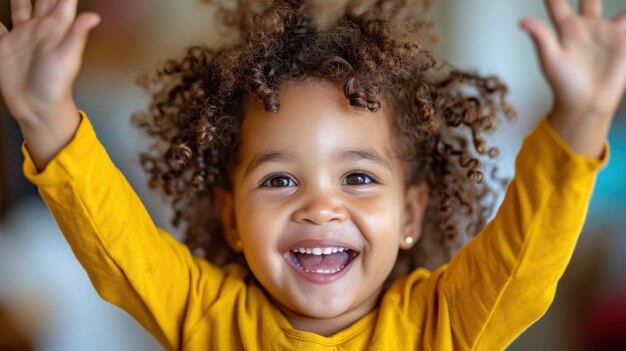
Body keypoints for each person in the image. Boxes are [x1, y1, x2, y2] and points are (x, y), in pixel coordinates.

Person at [1, 0, 625, 349]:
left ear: (410, 213)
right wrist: (43, 113)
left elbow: (526, 255)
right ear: (231, 219)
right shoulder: (208, 318)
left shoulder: (445, 326)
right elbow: (117, 243)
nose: (319, 207)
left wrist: (582, 119)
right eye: (278, 180)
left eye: (357, 179)